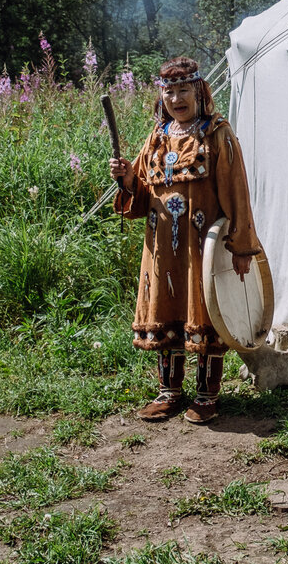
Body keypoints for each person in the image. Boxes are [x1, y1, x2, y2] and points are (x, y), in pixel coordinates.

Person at [110, 57, 262, 424]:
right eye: (169, 91)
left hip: (202, 249)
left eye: (183, 90)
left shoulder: (217, 134)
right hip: (163, 249)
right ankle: (170, 393)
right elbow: (143, 194)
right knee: (168, 310)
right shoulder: (157, 138)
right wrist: (129, 179)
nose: (176, 99)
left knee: (206, 311)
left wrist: (242, 247)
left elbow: (237, 193)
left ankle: (207, 396)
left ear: (198, 91)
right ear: (162, 96)